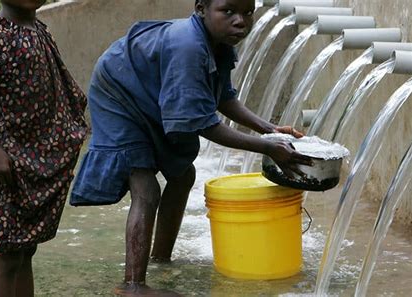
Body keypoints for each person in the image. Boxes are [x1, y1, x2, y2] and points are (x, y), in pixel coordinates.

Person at [70, 0, 311, 295]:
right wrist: (267, 148)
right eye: (229, 11)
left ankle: (160, 258)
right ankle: (133, 285)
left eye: (248, 12)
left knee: (183, 175)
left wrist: (269, 129)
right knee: (146, 189)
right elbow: (204, 124)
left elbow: (223, 98)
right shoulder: (188, 47)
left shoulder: (218, 41)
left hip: (148, 90)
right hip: (119, 92)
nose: (241, 21)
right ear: (201, 8)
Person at [0, 1, 87, 296]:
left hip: (41, 161)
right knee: (9, 252)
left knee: (26, 250)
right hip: (11, 163)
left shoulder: (38, 31)